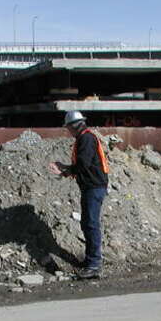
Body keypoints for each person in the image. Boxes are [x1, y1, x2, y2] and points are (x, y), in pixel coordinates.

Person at [47, 111, 108, 279]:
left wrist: (65, 169)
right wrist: (66, 171)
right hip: (91, 186)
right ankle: (91, 261)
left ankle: (94, 264)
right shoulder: (84, 138)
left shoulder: (86, 139)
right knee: (88, 223)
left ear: (74, 126)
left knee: (91, 224)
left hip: (94, 187)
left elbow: (83, 164)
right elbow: (82, 166)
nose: (68, 131)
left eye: (68, 128)